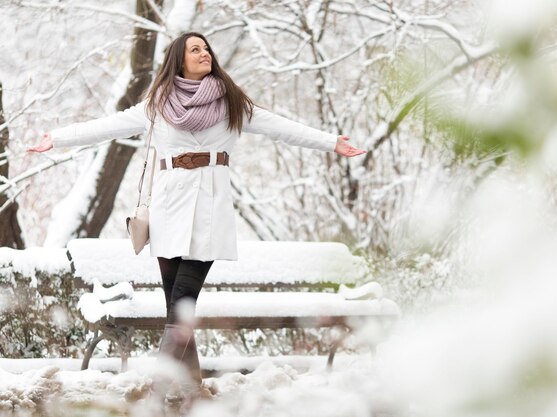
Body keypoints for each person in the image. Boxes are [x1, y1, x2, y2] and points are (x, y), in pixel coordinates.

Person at [28, 31, 365, 399]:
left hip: (209, 210)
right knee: (177, 305)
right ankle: (192, 386)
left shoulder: (232, 103)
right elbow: (107, 126)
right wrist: (56, 138)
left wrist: (331, 141)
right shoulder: (157, 105)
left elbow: (281, 127)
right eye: (195, 49)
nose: (204, 53)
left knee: (184, 299)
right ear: (179, 59)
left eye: (206, 48)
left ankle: (155, 392)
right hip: (168, 210)